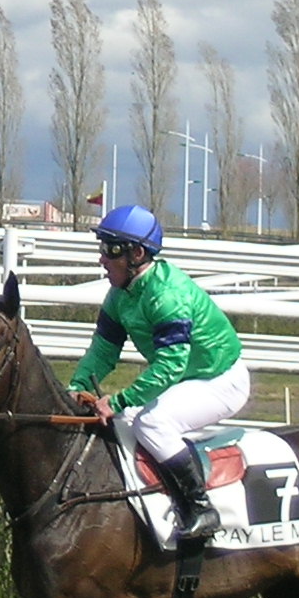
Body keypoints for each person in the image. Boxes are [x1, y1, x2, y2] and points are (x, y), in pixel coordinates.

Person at [67, 204, 247, 542]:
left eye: (110, 249)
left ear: (136, 253)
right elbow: (103, 351)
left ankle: (201, 509)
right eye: (101, 247)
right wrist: (75, 387)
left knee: (151, 422)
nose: (102, 258)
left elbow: (170, 366)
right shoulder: (119, 295)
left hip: (219, 380)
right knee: (127, 424)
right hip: (186, 378)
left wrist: (118, 400)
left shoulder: (167, 296)